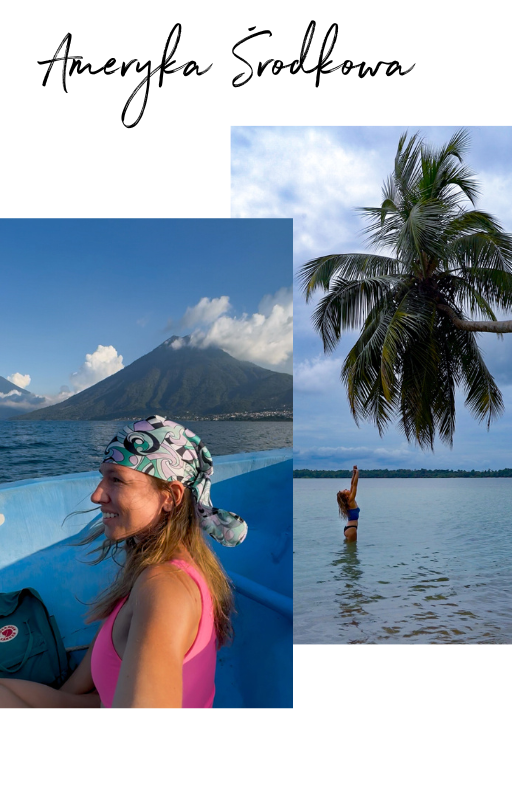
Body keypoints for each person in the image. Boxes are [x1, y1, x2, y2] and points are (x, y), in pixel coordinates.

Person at [0, 416, 247, 711]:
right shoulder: (156, 568)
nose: (96, 495)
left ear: (170, 497)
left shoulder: (165, 588)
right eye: (103, 477)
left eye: (116, 479)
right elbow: (104, 655)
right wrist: (61, 699)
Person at [336, 465, 360, 542]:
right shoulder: (350, 500)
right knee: (352, 552)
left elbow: (352, 484)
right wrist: (357, 473)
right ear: (346, 496)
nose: (346, 489)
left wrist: (354, 473)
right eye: (345, 490)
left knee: (349, 551)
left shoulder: (349, 500)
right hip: (351, 529)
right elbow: (355, 485)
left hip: (349, 528)